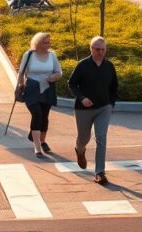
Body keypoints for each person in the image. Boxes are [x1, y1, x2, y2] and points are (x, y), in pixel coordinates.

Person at [68, 36, 119, 185]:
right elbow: (72, 84)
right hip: (83, 109)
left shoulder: (109, 66)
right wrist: (82, 98)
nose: (101, 52)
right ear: (91, 49)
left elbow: (114, 86)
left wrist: (111, 104)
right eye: (97, 49)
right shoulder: (83, 65)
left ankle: (99, 172)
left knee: (101, 138)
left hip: (104, 108)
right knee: (84, 137)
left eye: (103, 49)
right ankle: (80, 150)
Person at [17, 32, 62, 157]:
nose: (48, 44)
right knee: (37, 114)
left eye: (49, 42)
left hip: (48, 88)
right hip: (32, 88)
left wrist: (53, 77)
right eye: (45, 42)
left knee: (44, 117)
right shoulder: (29, 54)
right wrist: (21, 86)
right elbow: (21, 73)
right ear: (38, 43)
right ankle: (37, 146)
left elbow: (59, 72)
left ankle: (42, 140)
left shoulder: (52, 55)